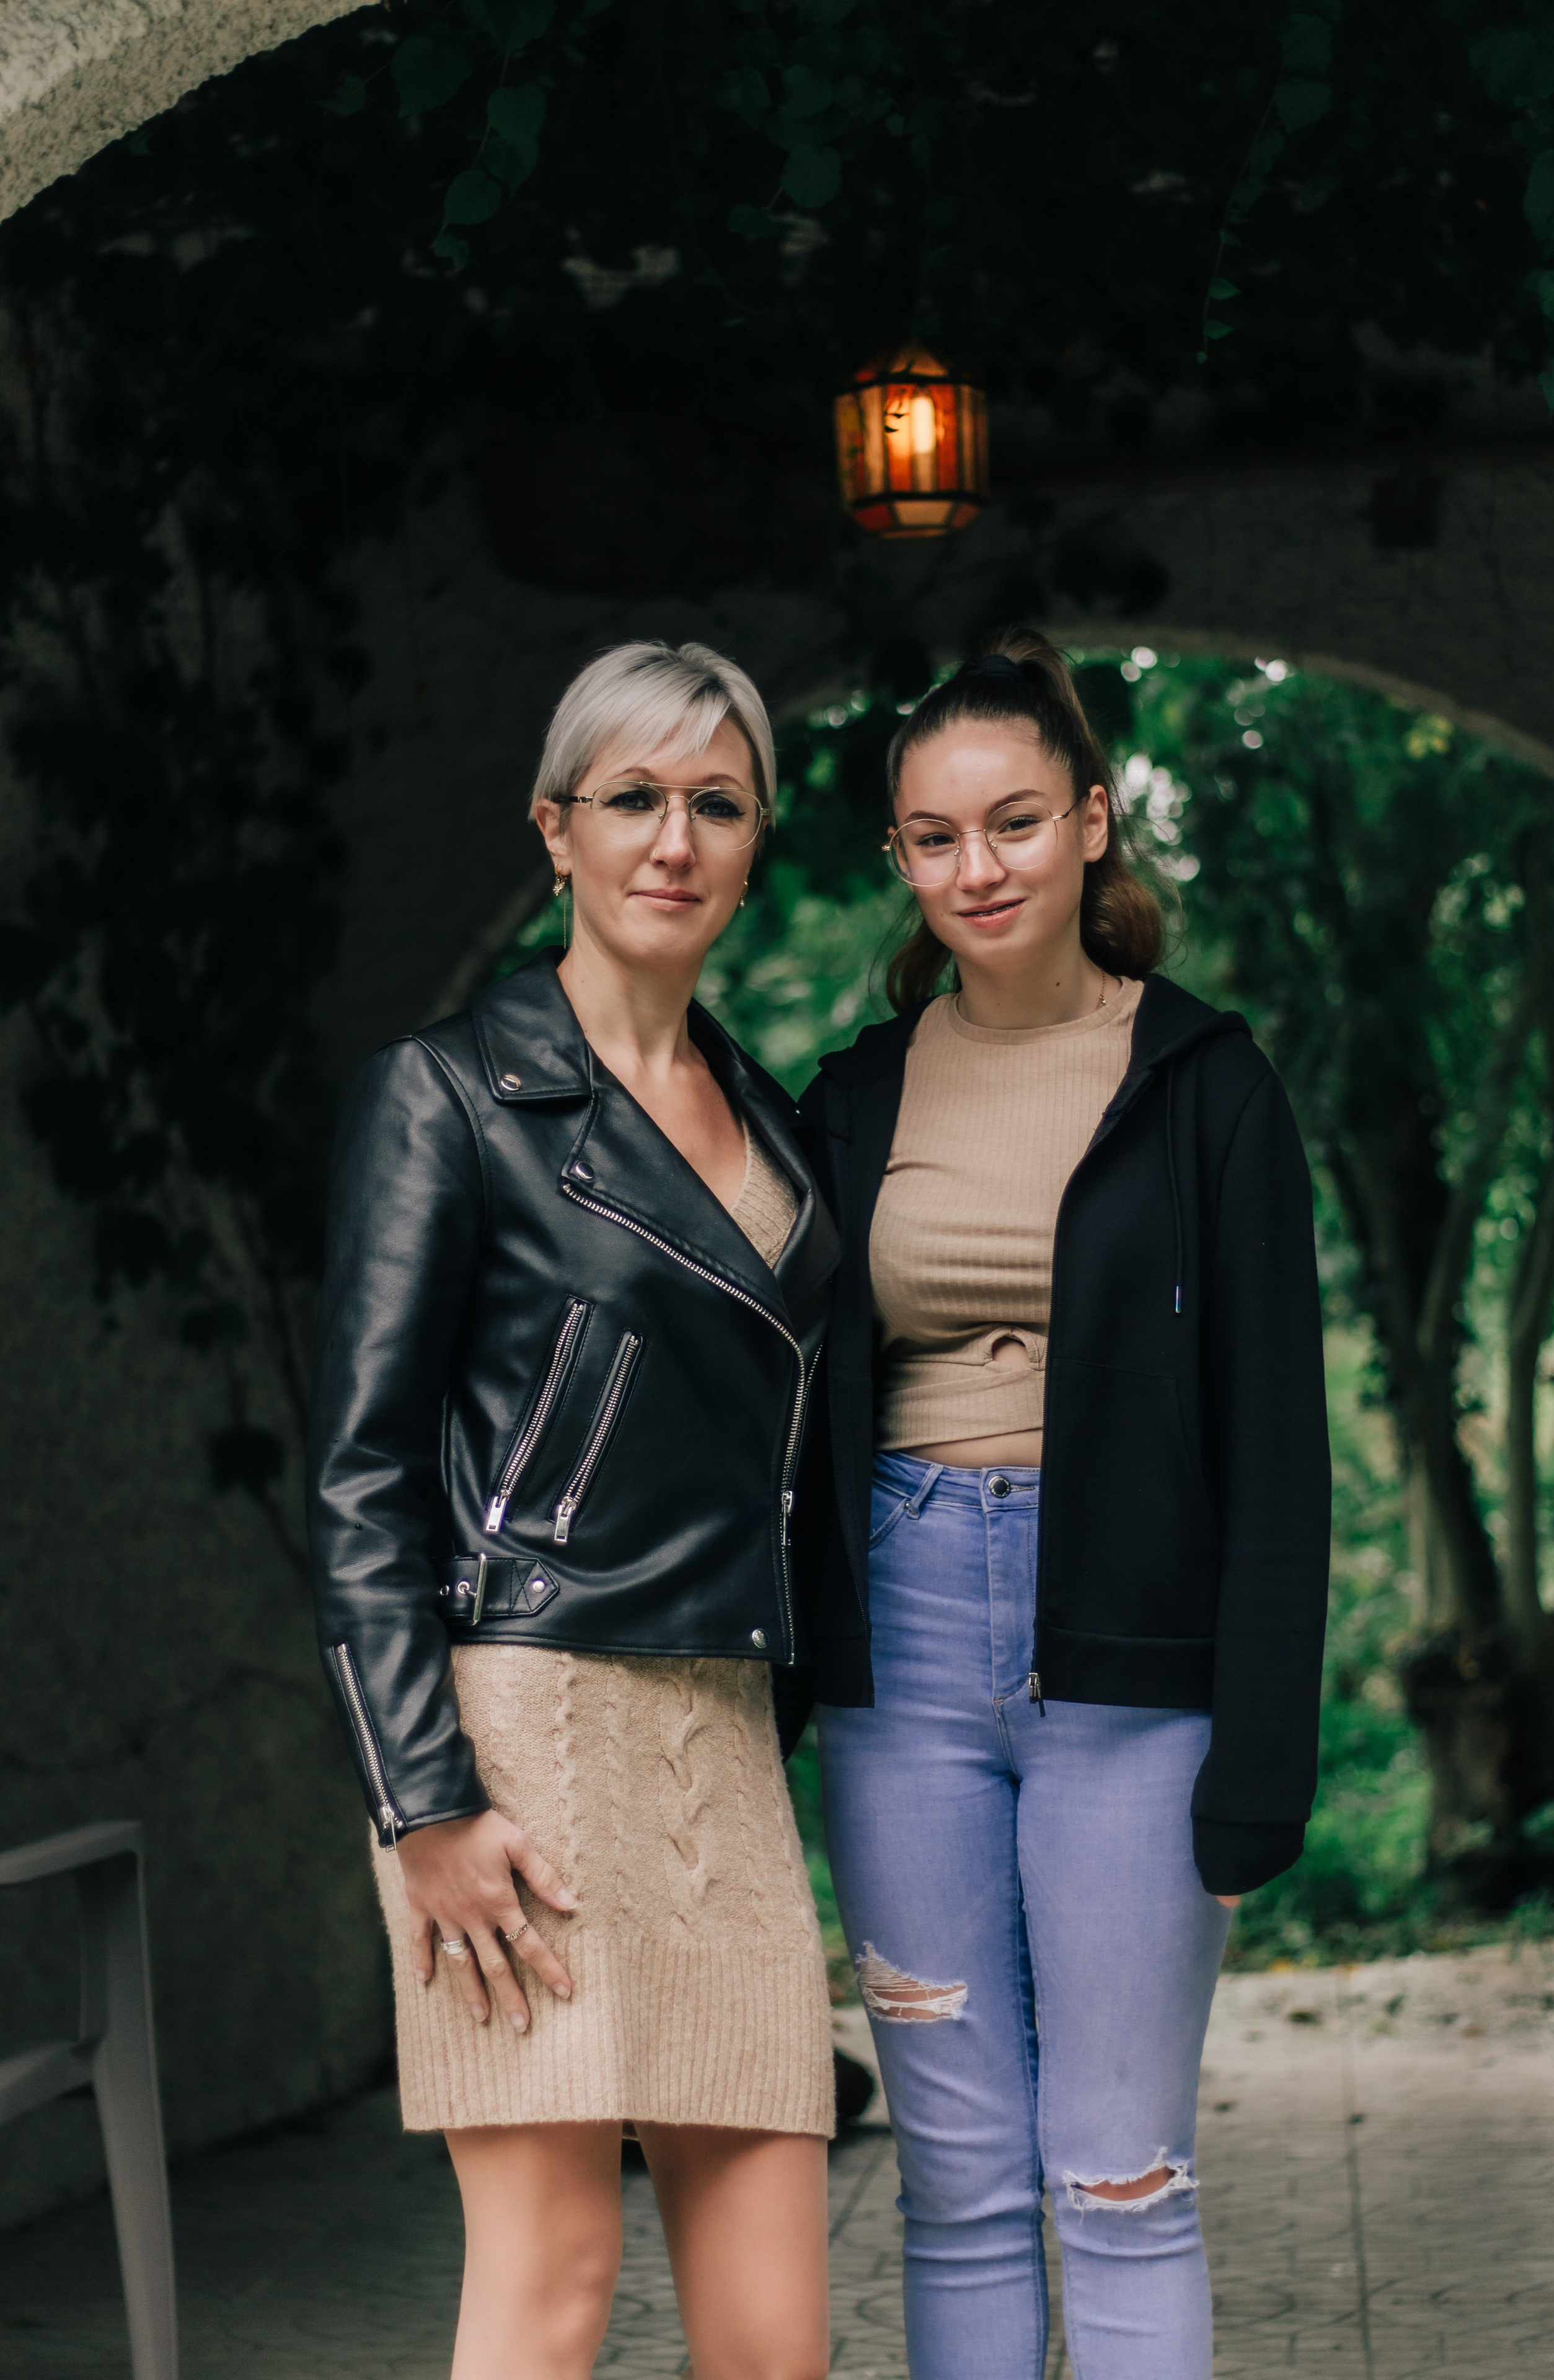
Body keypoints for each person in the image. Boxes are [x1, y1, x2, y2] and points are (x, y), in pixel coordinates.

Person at [791, 630, 1331, 2380]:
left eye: (1015, 823)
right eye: (936, 839)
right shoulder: (853, 1099)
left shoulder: (1208, 1088)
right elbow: (783, 1402)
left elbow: (1279, 1453)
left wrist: (1263, 1751)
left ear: (1094, 824)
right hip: (905, 1653)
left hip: (1136, 1676)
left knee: (1118, 2172)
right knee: (953, 2183)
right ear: (900, 860)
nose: (979, 869)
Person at [307, 641, 839, 2380]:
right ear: (557, 829)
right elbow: (365, 1479)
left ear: (757, 839)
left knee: (773, 2338)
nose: (673, 840)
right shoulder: (448, 1095)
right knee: (552, 2287)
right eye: (633, 799)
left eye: (716, 803)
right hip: (519, 1737)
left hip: (722, 1734)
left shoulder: (776, 1121)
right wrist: (423, 1803)